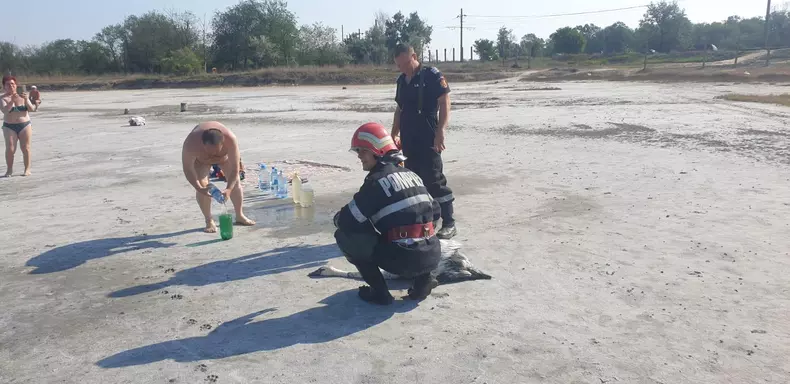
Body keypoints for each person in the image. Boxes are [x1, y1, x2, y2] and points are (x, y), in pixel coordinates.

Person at [333, 122, 442, 305]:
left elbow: (347, 220)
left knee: (346, 236)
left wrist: (339, 219)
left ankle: (380, 293)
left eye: (362, 150)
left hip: (402, 260)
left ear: (378, 152)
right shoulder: (411, 174)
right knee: (420, 229)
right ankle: (423, 280)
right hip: (432, 255)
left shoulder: (376, 182)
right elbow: (436, 213)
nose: (359, 156)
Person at [390, 43, 457, 239]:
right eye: (399, 66)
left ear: (414, 56)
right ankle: (428, 220)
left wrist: (441, 131)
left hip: (428, 134)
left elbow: (444, 102)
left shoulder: (432, 75)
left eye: (405, 64)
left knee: (434, 178)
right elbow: (399, 109)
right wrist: (393, 134)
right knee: (414, 180)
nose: (402, 69)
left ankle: (449, 222)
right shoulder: (402, 81)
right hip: (408, 137)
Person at [181, 121, 255, 233]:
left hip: (224, 159)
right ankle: (208, 220)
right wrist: (198, 187)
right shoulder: (190, 144)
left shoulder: (231, 139)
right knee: (203, 187)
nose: (213, 154)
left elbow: (235, 169)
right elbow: (188, 169)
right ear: (202, 144)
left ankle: (239, 215)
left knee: (236, 182)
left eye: (216, 150)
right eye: (209, 150)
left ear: (223, 143)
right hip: (201, 161)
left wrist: (229, 189)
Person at [1, 75, 36, 177]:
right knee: (10, 149)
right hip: (9, 126)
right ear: (4, 86)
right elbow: (5, 111)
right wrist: (12, 100)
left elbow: (31, 109)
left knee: (26, 148)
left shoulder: (23, 96)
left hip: (24, 125)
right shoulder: (2, 98)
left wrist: (26, 99)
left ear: (16, 85)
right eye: (8, 84)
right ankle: (9, 170)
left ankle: (27, 169)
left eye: (13, 84)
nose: (11, 86)